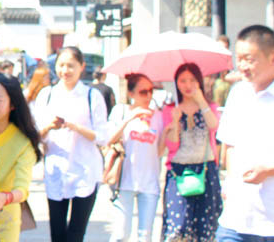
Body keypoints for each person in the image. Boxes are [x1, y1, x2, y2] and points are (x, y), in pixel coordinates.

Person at [36, 46, 108, 242]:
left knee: (76, 232)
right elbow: (36, 135)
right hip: (56, 170)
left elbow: (103, 137)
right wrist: (49, 127)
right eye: (61, 65)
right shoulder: (47, 95)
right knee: (57, 233)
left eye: (70, 66)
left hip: (85, 171)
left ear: (81, 67)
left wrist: (75, 127)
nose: (65, 70)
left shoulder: (92, 96)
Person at [216, 25, 274, 242]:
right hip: (236, 220)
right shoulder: (238, 94)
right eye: (239, 59)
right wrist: (230, 181)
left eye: (249, 59)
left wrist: (270, 170)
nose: (242, 66)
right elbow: (230, 146)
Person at [0, 73, 43, 242]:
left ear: (12, 104)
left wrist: (5, 198)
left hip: (4, 221)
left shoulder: (23, 142)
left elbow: (22, 189)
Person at [161, 62, 221, 242]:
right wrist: (174, 123)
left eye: (192, 80)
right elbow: (172, 146)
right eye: (182, 81)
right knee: (178, 227)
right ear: (176, 84)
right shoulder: (171, 109)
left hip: (205, 170)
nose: (188, 85)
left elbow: (214, 126)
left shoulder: (209, 106)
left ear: (199, 82)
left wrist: (201, 100)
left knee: (205, 228)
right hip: (179, 171)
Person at [106, 73, 163, 242]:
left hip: (150, 181)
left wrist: (169, 130)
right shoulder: (121, 111)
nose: (148, 96)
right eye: (143, 92)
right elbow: (109, 139)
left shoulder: (157, 116)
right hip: (125, 180)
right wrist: (129, 118)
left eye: (151, 91)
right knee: (121, 234)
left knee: (145, 236)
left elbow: (159, 151)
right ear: (131, 93)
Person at [25, 63, 52, 127]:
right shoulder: (27, 92)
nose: (49, 79)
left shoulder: (48, 91)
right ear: (40, 78)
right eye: (46, 77)